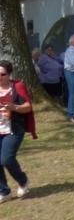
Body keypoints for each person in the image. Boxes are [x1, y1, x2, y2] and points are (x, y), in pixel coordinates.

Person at [0, 60, 37, 203]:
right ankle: (4, 191)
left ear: (9, 74)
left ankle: (23, 181)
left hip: (13, 128)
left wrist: (14, 107)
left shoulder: (17, 86)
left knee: (7, 159)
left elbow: (28, 106)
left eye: (2, 74)